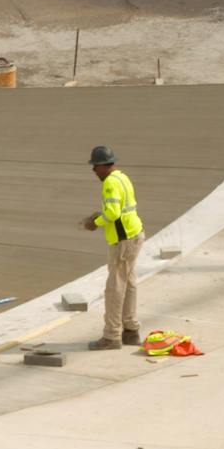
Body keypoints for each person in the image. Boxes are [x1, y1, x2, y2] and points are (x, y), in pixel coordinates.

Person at [83, 144, 144, 349]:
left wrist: (95, 222)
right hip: (134, 234)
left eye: (95, 167)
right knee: (129, 282)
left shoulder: (109, 182)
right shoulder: (122, 177)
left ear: (102, 166)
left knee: (115, 287)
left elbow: (113, 213)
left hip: (123, 240)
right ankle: (131, 331)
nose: (93, 171)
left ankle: (111, 336)